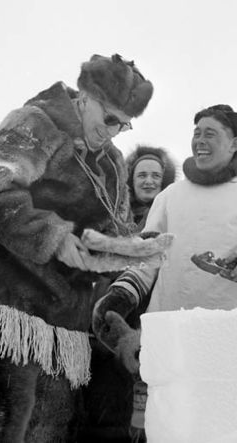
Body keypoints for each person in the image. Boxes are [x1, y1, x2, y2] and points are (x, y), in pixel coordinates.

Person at [0, 53, 153, 442]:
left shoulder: (113, 165)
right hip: (10, 319)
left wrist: (132, 250)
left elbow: (109, 238)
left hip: (66, 336)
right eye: (109, 118)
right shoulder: (36, 123)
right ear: (85, 96)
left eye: (124, 124)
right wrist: (53, 237)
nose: (114, 131)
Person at [92, 104, 237, 440]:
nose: (199, 140)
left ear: (234, 144)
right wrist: (123, 293)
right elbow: (149, 256)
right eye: (196, 133)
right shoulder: (170, 197)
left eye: (210, 133)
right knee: (165, 429)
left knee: (222, 431)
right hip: (169, 340)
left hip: (230, 345)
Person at [80, 144, 178, 443]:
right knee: (102, 402)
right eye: (142, 174)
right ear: (130, 179)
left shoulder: (173, 218)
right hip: (108, 318)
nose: (149, 181)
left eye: (156, 175)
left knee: (147, 411)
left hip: (153, 321)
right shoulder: (112, 219)